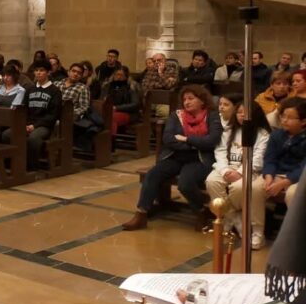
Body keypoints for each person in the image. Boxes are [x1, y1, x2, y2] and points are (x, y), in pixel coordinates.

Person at [122, 85, 221, 231]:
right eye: (184, 99)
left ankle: (201, 212)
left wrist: (186, 139)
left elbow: (211, 140)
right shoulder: (177, 115)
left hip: (198, 159)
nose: (187, 102)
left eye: (191, 98)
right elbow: (168, 138)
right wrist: (193, 144)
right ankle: (141, 215)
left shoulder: (212, 116)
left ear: (202, 100)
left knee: (185, 184)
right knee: (152, 174)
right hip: (175, 156)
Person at [206, 97, 270, 250]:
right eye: (239, 112)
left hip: (250, 170)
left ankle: (250, 229)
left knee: (238, 188)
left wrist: (240, 172)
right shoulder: (229, 130)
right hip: (227, 168)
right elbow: (220, 152)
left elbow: (258, 159)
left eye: (245, 113)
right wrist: (225, 170)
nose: (242, 116)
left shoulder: (262, 134)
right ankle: (230, 218)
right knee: (212, 181)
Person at [4, 60, 61, 171]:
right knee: (7, 134)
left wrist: (35, 126)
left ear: (48, 73)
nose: (38, 73)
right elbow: (24, 109)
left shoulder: (55, 91)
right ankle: (12, 163)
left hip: (44, 125)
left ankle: (31, 167)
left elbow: (53, 115)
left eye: (42, 70)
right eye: (36, 70)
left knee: (33, 138)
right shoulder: (30, 89)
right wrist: (24, 124)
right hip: (28, 124)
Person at [262, 98, 306, 207]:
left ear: (303, 121)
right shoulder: (276, 135)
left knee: (292, 194)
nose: (285, 120)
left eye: (290, 117)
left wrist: (285, 182)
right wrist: (269, 177)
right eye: (283, 116)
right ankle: (256, 224)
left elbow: (303, 167)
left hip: (299, 178)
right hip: (276, 174)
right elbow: (269, 160)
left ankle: (294, 224)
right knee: (254, 188)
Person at [102, 66, 141, 137]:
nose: (118, 77)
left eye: (121, 75)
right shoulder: (108, 86)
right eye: (116, 74)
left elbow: (135, 104)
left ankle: (110, 141)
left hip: (128, 113)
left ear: (126, 76)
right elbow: (101, 99)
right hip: (110, 111)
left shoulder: (131, 86)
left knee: (112, 117)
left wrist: (116, 108)